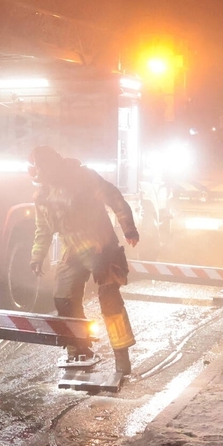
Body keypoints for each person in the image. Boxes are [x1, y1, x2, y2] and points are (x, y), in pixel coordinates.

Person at [27, 146, 140, 375]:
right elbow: (43, 229)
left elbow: (114, 198)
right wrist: (37, 256)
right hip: (73, 250)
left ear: (52, 165)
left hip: (102, 245)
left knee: (109, 300)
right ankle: (79, 349)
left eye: (40, 168)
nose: (38, 174)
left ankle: (121, 356)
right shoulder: (42, 196)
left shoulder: (84, 178)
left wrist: (129, 228)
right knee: (64, 298)